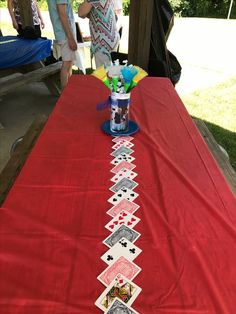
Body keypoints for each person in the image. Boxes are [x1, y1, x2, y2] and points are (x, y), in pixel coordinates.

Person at [78, 0, 119, 68]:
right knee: (111, 73)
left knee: (104, 75)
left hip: (103, 43)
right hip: (108, 40)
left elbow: (81, 12)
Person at [47, 0, 77, 89]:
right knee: (67, 64)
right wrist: (70, 38)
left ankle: (68, 92)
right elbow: (62, 13)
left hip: (64, 33)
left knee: (69, 63)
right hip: (65, 34)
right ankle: (65, 96)